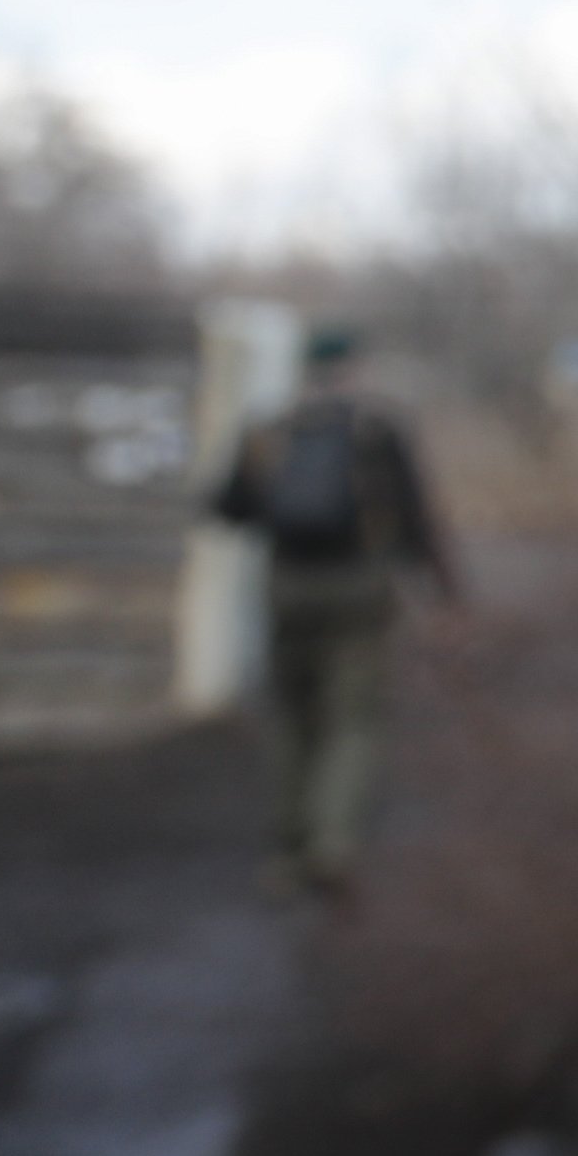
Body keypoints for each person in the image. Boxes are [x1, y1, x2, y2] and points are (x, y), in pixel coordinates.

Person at [209, 323, 458, 897]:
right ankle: (333, 844)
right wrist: (446, 592)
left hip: (287, 588)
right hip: (360, 591)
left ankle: (290, 850)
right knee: (353, 720)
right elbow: (420, 520)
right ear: (353, 368)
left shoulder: (268, 430)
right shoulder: (378, 429)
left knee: (292, 717)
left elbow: (225, 509)